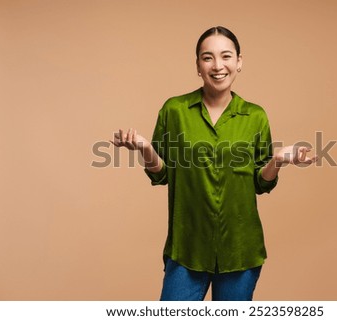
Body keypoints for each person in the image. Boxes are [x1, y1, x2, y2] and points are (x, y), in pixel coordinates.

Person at [110, 26, 317, 301]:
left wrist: (278, 160)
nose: (218, 66)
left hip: (241, 251)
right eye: (208, 58)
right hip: (187, 249)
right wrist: (145, 148)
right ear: (197, 65)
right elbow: (162, 175)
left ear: (239, 62)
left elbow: (260, 183)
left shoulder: (255, 116)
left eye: (226, 56)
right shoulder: (174, 110)